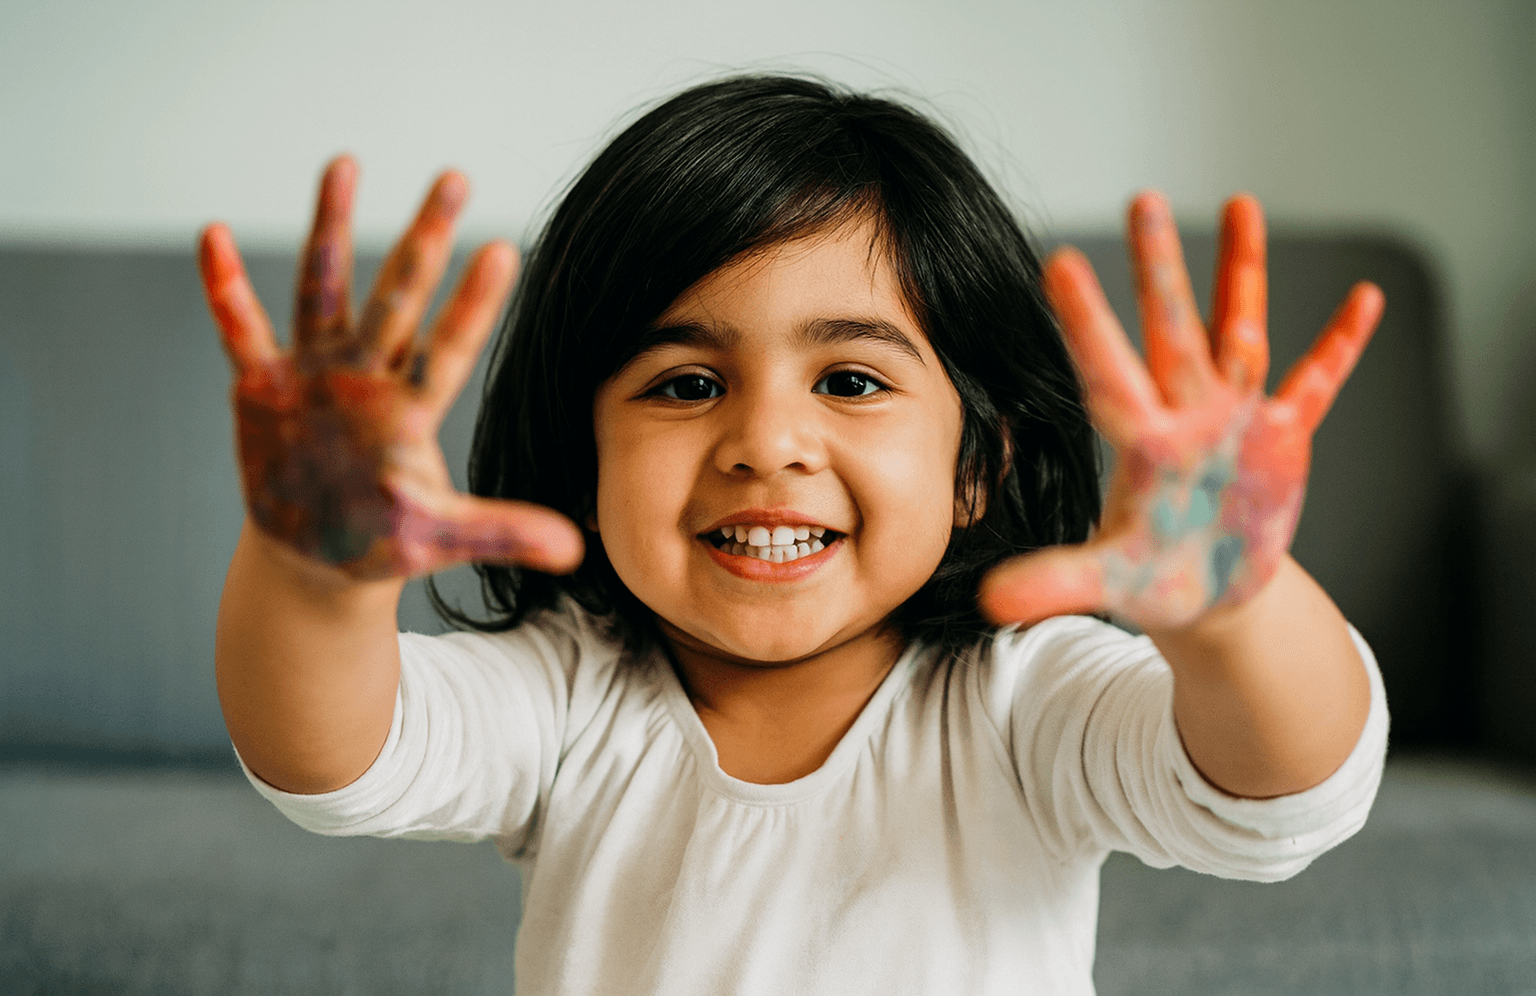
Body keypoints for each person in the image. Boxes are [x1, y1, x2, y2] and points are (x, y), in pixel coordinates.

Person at [198, 75, 1388, 994]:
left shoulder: (1025, 700)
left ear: (981, 464)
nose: (767, 442)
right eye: (684, 384)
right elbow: (332, 756)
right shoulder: (567, 698)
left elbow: (1284, 790)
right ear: (585, 455)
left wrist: (1236, 611)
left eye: (854, 381)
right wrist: (314, 577)